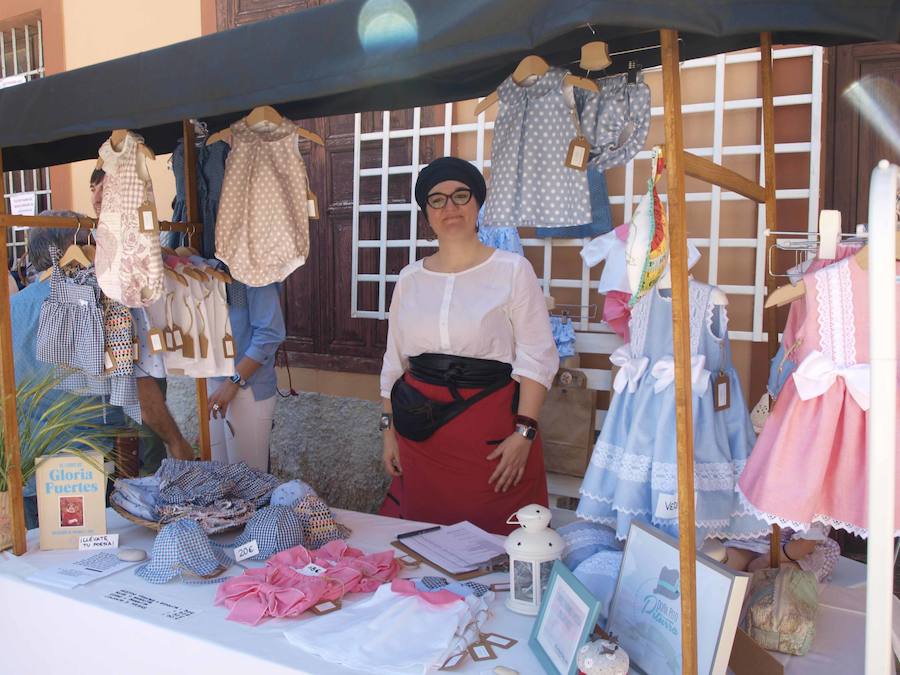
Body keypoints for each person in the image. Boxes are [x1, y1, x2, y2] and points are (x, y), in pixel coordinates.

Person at [379, 156, 559, 535]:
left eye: (461, 195)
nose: (450, 207)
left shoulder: (512, 270)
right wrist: (388, 432)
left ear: (477, 203)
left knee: (495, 544)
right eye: (437, 199)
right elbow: (394, 363)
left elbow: (537, 357)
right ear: (426, 212)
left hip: (492, 435)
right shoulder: (409, 279)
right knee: (425, 539)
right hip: (421, 435)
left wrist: (524, 433)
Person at [90, 171, 194, 466]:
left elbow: (143, 380)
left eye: (105, 189)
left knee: (146, 458)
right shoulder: (91, 246)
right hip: (106, 393)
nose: (97, 197)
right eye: (93, 189)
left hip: (140, 367)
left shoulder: (136, 253)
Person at [206, 279, 286, 472]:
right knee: (219, 479)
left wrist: (233, 382)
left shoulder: (255, 268)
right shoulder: (210, 261)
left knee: (249, 482)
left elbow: (270, 333)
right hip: (215, 380)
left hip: (248, 386)